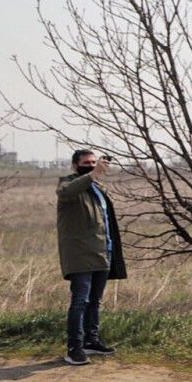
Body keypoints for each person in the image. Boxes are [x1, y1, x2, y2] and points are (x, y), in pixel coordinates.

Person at [56, 149, 126, 366]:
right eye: (87, 162)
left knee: (95, 301)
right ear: (75, 165)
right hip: (80, 255)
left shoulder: (97, 188)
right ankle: (74, 348)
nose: (92, 165)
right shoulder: (68, 184)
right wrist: (92, 174)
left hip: (102, 252)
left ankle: (91, 341)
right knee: (80, 301)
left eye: (95, 162)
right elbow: (65, 193)